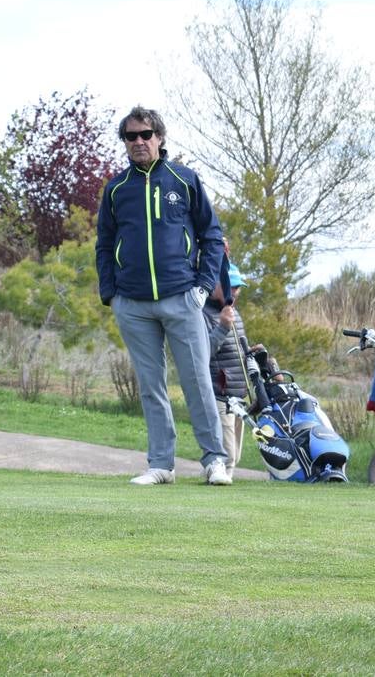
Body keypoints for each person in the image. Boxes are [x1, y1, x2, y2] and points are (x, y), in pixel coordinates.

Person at [96, 105, 231, 486]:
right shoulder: (116, 189)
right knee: (150, 385)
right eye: (130, 136)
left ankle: (214, 460)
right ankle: (161, 465)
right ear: (124, 142)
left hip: (182, 298)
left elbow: (212, 236)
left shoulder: (184, 180)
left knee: (197, 382)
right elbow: (104, 244)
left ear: (160, 137)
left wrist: (202, 289)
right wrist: (111, 294)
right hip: (132, 304)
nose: (139, 141)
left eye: (145, 134)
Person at [202, 262, 257, 474]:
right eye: (230, 286)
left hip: (238, 395)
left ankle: (213, 474)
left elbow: (240, 348)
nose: (234, 291)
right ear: (214, 285)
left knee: (236, 454)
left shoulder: (233, 312)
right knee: (227, 457)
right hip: (219, 394)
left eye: (237, 287)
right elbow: (203, 352)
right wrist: (223, 326)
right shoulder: (203, 313)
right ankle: (218, 486)